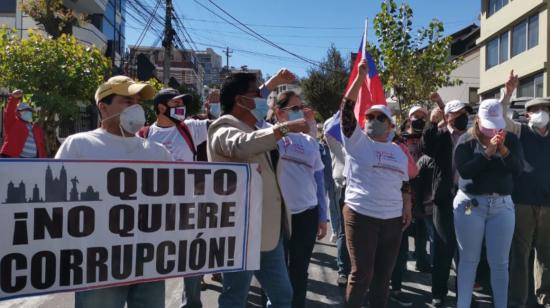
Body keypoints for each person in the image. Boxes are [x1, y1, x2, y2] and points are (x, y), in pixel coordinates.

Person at [55, 75, 172, 308]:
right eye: (128, 102)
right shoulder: (78, 145)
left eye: (139, 102)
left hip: (149, 260)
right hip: (98, 262)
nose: (137, 108)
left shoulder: (158, 152)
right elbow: (56, 200)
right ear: (103, 107)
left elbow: (175, 199)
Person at [207, 70, 308, 308]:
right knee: (234, 299)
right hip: (240, 235)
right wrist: (285, 129)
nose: (266, 101)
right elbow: (241, 146)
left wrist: (274, 81)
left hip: (268, 233)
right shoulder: (222, 129)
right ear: (240, 100)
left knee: (283, 295)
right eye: (258, 95)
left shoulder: (253, 128)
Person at [340, 60, 412, 308]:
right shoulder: (357, 142)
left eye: (381, 117)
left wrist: (407, 205)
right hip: (361, 216)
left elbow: (403, 183)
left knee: (383, 278)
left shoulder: (398, 152)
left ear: (391, 126)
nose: (374, 119)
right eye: (370, 116)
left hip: (392, 221)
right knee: (361, 276)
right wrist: (359, 79)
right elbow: (346, 112)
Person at [136, 88, 209, 308]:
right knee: (152, 263)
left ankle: (192, 304)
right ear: (161, 108)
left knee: (192, 261)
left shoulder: (191, 129)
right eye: (176, 103)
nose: (182, 108)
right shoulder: (144, 134)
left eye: (183, 103)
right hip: (154, 211)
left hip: (187, 208)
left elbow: (225, 128)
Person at [453, 98, 523, 308]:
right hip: (470, 205)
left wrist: (502, 150)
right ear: (478, 121)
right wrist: (487, 154)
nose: (493, 132)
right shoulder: (466, 140)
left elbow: (518, 169)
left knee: (500, 264)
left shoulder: (510, 140)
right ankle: (463, 304)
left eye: (497, 126)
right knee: (468, 260)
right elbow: (465, 171)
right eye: (488, 126)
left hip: (502, 206)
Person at [272, 90, 328, 308]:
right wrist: (271, 85)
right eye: (294, 108)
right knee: (277, 270)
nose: (301, 112)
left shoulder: (309, 141)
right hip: (279, 215)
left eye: (301, 108)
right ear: (279, 112)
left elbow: (319, 179)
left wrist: (322, 216)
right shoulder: (270, 135)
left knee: (299, 269)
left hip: (307, 214)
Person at [501, 72, 550, 308]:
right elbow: (500, 117)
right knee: (519, 255)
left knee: (546, 256)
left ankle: (546, 298)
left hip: (548, 204)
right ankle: (516, 302)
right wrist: (508, 93)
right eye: (536, 108)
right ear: (528, 113)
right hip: (522, 202)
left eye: (545, 108)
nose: (541, 112)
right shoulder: (520, 130)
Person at [422, 93, 473, 307]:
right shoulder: (440, 134)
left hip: (469, 200)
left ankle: (465, 295)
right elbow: (427, 147)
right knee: (443, 247)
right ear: (450, 116)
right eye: (460, 114)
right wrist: (432, 122)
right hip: (444, 200)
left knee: (466, 248)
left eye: (465, 114)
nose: (464, 117)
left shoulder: (472, 136)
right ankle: (439, 293)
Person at [323, 115, 351, 287]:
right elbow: (328, 126)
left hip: (362, 188)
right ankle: (343, 270)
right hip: (343, 185)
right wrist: (342, 112)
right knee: (344, 230)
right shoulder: (334, 134)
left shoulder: (359, 137)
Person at [1, 89, 46, 158]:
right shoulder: (13, 123)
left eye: (30, 111)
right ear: (18, 113)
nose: (29, 112)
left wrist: (43, 161)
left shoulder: (36, 128)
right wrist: (14, 98)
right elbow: (9, 113)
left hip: (35, 162)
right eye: (26, 110)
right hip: (15, 161)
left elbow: (41, 146)